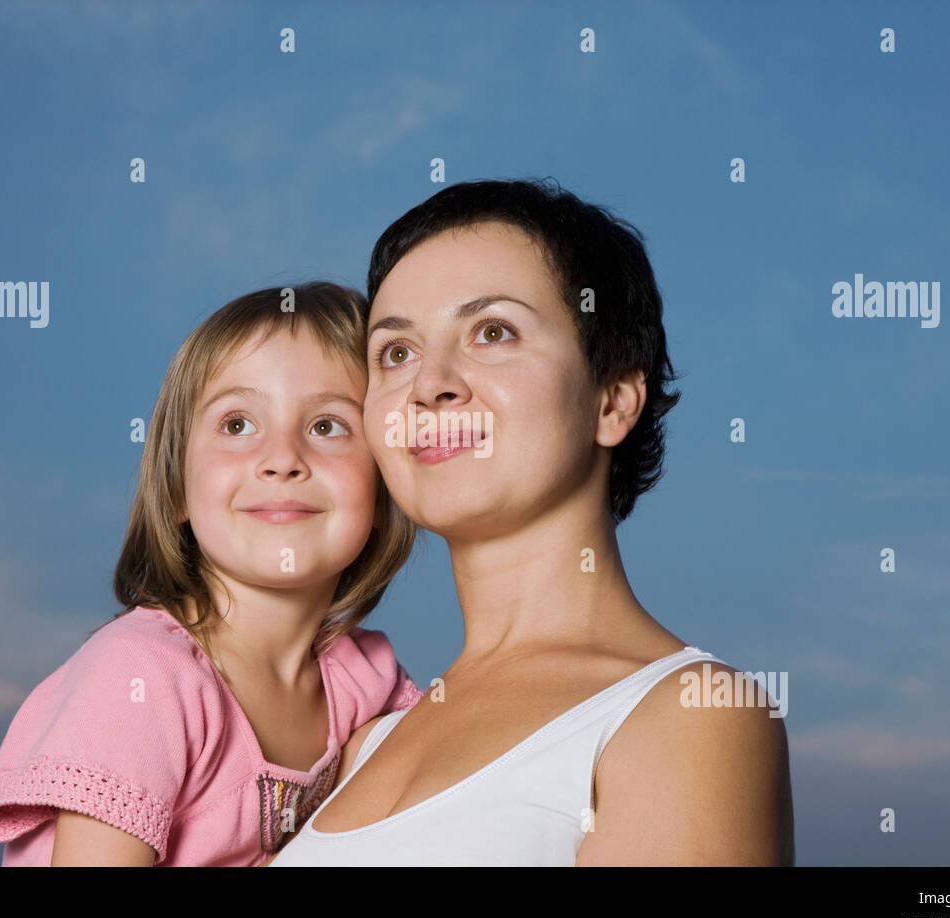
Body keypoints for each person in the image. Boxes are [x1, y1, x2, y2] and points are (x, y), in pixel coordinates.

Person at [271, 180, 795, 865]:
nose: (430, 383)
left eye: (493, 332)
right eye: (396, 352)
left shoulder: (692, 716)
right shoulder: (362, 745)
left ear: (612, 401)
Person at [0, 282, 423, 865]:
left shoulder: (365, 681)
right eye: (237, 425)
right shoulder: (140, 679)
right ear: (179, 486)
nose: (282, 458)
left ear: (385, 484)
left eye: (328, 426)